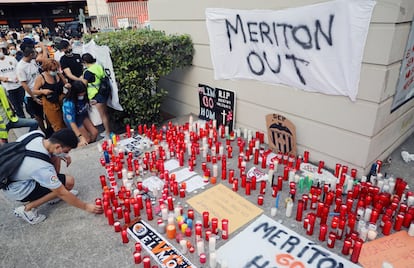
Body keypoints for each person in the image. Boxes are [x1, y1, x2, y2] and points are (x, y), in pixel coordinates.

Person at [2, 128, 103, 224]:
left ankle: (51, 191)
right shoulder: (41, 167)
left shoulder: (37, 135)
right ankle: (27, 209)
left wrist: (63, 155)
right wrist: (86, 206)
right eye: (66, 151)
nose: (67, 154)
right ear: (58, 146)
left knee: (56, 157)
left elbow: (52, 153)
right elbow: (62, 192)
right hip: (19, 189)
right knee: (68, 184)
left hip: (14, 175)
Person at [16, 47, 48, 134]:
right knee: (39, 117)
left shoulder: (33, 62)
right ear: (30, 55)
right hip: (32, 96)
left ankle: (49, 130)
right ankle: (45, 133)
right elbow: (24, 85)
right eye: (34, 54)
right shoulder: (21, 67)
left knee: (47, 113)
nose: (35, 55)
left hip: (41, 91)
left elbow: (43, 58)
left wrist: (42, 48)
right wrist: (34, 98)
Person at [32, 58, 68, 132]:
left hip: (61, 99)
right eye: (52, 70)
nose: (54, 72)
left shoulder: (59, 74)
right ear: (46, 69)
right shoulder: (41, 78)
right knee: (57, 124)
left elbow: (65, 83)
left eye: (55, 69)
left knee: (66, 120)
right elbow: (34, 91)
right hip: (50, 102)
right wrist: (43, 91)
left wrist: (67, 85)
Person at [81, 53, 111, 138]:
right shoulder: (98, 67)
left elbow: (83, 85)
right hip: (103, 92)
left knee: (102, 115)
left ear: (85, 62)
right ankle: (107, 131)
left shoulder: (87, 72)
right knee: (105, 113)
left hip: (95, 95)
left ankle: (108, 133)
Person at [62, 80, 98, 146]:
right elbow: (72, 123)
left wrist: (90, 102)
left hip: (82, 115)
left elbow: (85, 102)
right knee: (86, 139)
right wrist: (80, 137)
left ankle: (90, 146)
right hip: (74, 120)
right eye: (80, 94)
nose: (82, 95)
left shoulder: (84, 96)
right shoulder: (68, 104)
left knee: (94, 133)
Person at [0, 47, 26, 118]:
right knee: (16, 104)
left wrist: (18, 76)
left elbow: (18, 68)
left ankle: (32, 115)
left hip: (18, 85)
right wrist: (2, 78)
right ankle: (21, 117)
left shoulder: (11, 59)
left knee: (24, 101)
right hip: (8, 87)